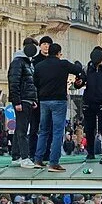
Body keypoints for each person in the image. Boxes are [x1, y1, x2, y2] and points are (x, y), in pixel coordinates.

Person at [31, 42, 84, 171]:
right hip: (59, 101)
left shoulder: (39, 66)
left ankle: (38, 160)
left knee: (43, 131)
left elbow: (35, 82)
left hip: (44, 101)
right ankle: (53, 163)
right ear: (58, 53)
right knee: (57, 132)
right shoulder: (63, 64)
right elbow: (78, 69)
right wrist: (77, 67)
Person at [8, 38, 40, 166]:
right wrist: (17, 101)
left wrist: (34, 99)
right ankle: (24, 157)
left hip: (27, 99)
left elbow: (32, 83)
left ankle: (16, 156)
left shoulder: (28, 62)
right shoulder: (18, 62)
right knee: (22, 129)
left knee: (20, 128)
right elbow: (14, 82)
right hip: (22, 100)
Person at [81, 47, 102, 164]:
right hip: (89, 102)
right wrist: (78, 82)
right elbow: (80, 82)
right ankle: (90, 153)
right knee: (89, 129)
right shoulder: (86, 69)